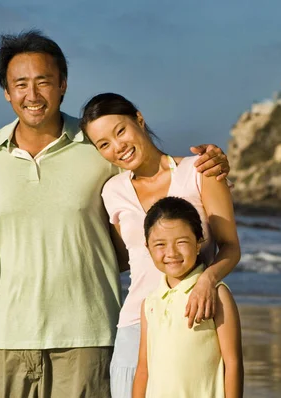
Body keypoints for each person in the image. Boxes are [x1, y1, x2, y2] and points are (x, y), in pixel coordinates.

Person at [0, 30, 230, 397]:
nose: (32, 95)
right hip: (6, 338)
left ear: (63, 84)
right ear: (6, 91)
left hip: (90, 336)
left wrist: (204, 165)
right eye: (20, 84)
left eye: (44, 82)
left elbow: (154, 188)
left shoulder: (97, 146)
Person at [80, 92, 241, 398]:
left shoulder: (200, 171)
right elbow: (127, 260)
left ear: (139, 120)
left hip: (194, 320)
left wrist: (207, 280)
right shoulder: (112, 192)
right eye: (104, 145)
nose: (118, 147)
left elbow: (230, 246)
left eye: (120, 131)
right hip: (134, 326)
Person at [132, 196, 243, 397]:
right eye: (160, 245)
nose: (171, 252)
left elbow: (233, 363)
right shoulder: (149, 304)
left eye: (182, 242)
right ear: (147, 248)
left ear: (199, 243)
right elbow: (143, 369)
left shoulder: (217, 294)